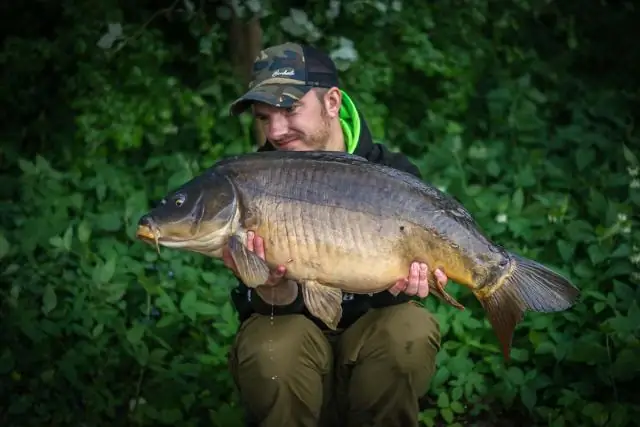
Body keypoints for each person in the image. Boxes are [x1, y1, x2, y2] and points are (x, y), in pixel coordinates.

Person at [223, 42, 448, 427]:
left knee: (408, 329)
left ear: (331, 102)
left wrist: (409, 283)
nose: (275, 131)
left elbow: (405, 288)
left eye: (290, 109)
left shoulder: (390, 173)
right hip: (299, 344)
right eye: (264, 116)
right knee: (270, 348)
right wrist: (273, 290)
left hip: (368, 340)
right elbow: (257, 308)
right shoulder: (250, 182)